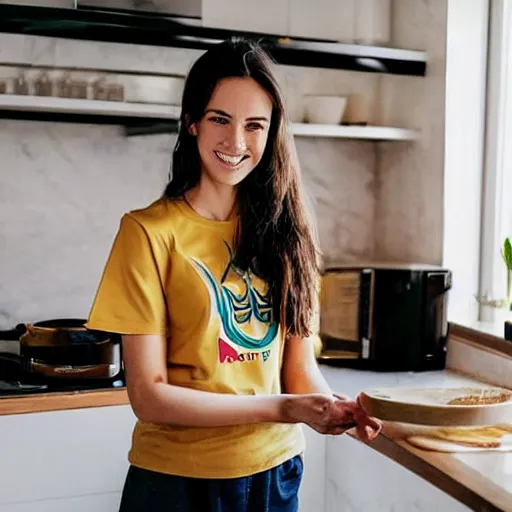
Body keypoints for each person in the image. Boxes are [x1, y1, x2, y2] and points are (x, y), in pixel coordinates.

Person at [85, 37, 381, 512]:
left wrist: (332, 407)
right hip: (177, 481)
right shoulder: (148, 232)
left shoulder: (289, 232)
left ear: (272, 132)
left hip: (276, 472)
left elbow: (298, 370)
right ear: (193, 122)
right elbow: (149, 396)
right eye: (221, 119)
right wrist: (285, 408)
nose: (236, 142)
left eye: (254, 125)